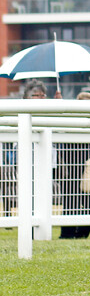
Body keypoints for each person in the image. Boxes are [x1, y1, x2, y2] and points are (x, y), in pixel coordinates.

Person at [2, 80, 51, 217]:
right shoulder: (20, 109)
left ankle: (40, 217)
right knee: (27, 186)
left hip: (46, 154)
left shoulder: (50, 109)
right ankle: (29, 216)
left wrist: (59, 102)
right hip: (24, 153)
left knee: (43, 187)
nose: (41, 98)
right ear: (26, 97)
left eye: (43, 95)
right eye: (36, 95)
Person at [58, 91, 90, 239]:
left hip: (87, 168)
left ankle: (80, 235)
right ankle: (68, 234)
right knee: (70, 201)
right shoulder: (69, 119)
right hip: (71, 167)